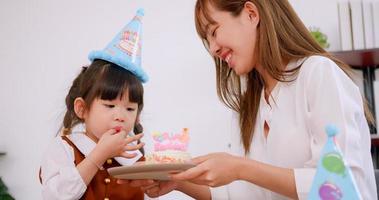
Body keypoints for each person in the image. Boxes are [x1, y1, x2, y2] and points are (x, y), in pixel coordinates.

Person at [127, 0, 377, 199]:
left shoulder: (318, 73)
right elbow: (245, 193)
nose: (213, 48)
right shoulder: (252, 104)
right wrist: (178, 181)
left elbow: (338, 186)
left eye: (214, 31)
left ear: (251, 14)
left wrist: (239, 168)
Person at [40, 9, 150, 199]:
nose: (120, 116)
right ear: (82, 108)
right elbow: (53, 196)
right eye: (109, 105)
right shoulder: (64, 148)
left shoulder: (135, 159)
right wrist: (98, 155)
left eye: (130, 108)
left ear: (137, 115)